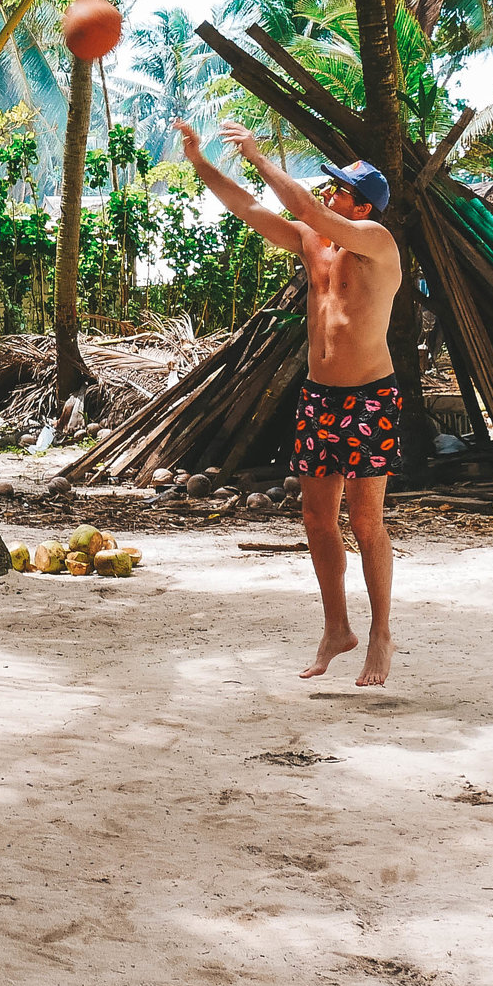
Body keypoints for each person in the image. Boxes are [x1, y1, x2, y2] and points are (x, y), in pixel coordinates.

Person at [176, 120, 403, 686]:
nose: (328, 195)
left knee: (365, 521)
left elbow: (305, 204)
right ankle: (336, 628)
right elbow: (251, 210)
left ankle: (380, 633)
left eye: (339, 191)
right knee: (315, 517)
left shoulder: (376, 241)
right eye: (328, 188)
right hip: (318, 398)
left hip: (370, 397)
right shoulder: (314, 242)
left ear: (362, 204)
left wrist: (255, 153)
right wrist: (202, 162)